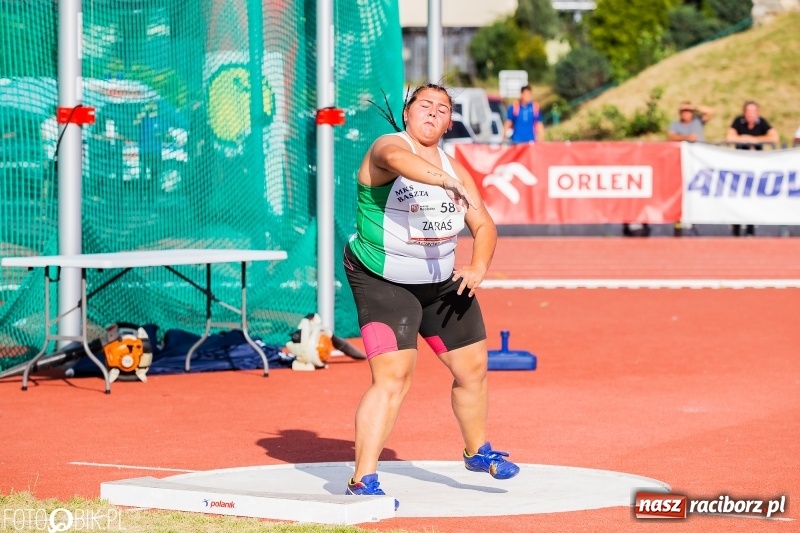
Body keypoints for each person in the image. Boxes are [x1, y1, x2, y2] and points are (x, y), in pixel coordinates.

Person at [343, 83, 519, 508]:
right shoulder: (388, 147)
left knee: (473, 368)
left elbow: (485, 226)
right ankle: (363, 478)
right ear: (407, 113)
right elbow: (401, 162)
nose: (433, 113)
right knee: (394, 376)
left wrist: (478, 266)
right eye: (425, 105)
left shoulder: (456, 168)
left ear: (448, 123)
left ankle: (477, 452)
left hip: (440, 282)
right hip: (382, 278)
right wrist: (446, 181)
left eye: (443, 110)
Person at [725, 100, 780, 237]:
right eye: (748, 111)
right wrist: (742, 139)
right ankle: (736, 228)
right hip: (739, 167)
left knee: (752, 197)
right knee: (737, 197)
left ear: (757, 112)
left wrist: (752, 139)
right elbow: (729, 137)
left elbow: (774, 137)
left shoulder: (762, 122)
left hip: (755, 169)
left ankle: (750, 229)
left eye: (753, 111)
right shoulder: (739, 121)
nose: (750, 114)